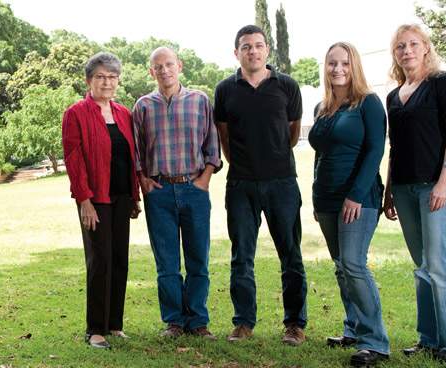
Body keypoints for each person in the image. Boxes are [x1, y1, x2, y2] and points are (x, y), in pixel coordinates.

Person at [383, 24, 446, 364]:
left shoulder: (442, 82)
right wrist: (389, 191)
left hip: (434, 187)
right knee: (422, 266)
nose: (406, 50)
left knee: (439, 263)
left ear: (425, 48)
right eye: (400, 46)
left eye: (412, 44)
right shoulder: (394, 95)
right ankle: (429, 338)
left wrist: (443, 181)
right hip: (404, 189)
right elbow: (395, 147)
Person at [214, 25, 307, 346]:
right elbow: (224, 135)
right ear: (236, 52)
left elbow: (292, 133)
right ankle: (243, 322)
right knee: (242, 256)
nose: (252, 51)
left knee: (291, 255)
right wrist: (242, 163)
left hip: (282, 182)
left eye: (258, 45)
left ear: (267, 50)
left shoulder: (287, 86)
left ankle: (294, 324)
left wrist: (275, 157)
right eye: (245, 46)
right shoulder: (225, 89)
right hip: (240, 184)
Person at [309, 42, 389, 366]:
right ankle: (354, 329)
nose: (337, 69)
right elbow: (319, 154)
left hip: (359, 197)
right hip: (326, 198)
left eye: (344, 63)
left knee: (354, 264)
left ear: (353, 66)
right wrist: (316, 196)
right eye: (332, 64)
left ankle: (376, 342)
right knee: (343, 268)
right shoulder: (323, 107)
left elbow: (374, 151)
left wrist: (355, 195)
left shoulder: (368, 103)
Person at [133, 47, 221, 339]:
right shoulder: (143, 106)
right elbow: (136, 150)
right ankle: (174, 321)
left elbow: (212, 147)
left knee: (198, 259)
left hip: (194, 189)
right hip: (159, 192)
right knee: (167, 263)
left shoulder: (199, 100)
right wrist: (144, 180)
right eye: (158, 66)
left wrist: (204, 180)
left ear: (179, 66)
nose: (164, 70)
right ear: (151, 72)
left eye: (169, 64)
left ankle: (197, 321)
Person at [62, 52, 141, 349]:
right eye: (100, 77)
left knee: (120, 260)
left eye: (112, 77)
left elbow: (129, 157)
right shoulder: (76, 113)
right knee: (100, 262)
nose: (107, 82)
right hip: (95, 199)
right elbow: (74, 159)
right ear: (89, 80)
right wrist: (84, 199)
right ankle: (95, 329)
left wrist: (134, 195)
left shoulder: (124, 113)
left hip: (121, 197)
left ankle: (114, 324)